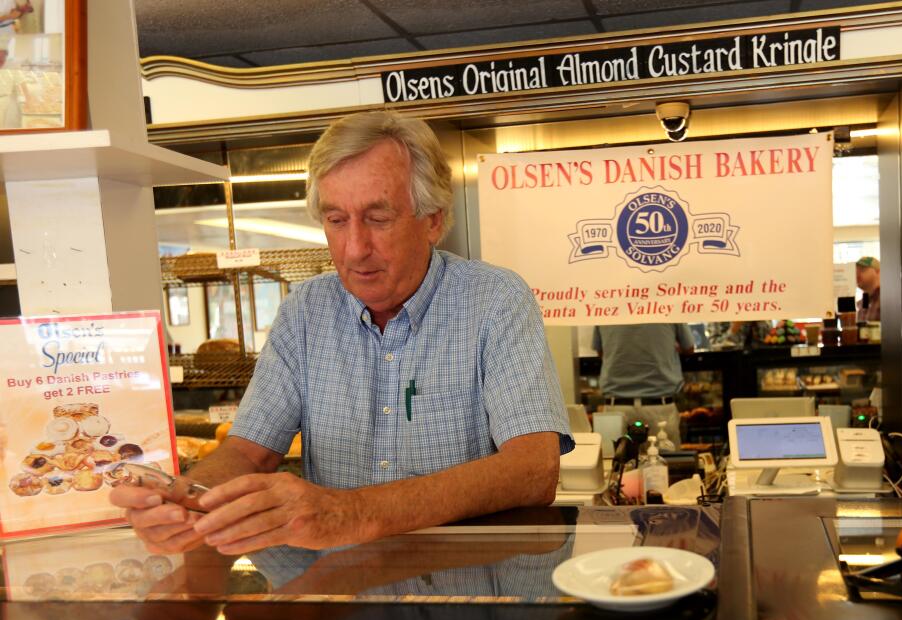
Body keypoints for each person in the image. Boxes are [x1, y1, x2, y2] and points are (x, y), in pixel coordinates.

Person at [112, 111, 573, 572]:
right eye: (336, 220)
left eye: (378, 218)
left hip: (465, 601)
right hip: (339, 598)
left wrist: (353, 514)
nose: (354, 248)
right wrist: (187, 498)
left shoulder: (494, 300)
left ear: (433, 220)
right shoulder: (306, 312)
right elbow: (248, 451)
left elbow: (533, 470)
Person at [592, 323, 694, 448]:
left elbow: (601, 351)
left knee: (614, 464)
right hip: (660, 409)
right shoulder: (669, 307)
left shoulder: (605, 310)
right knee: (663, 463)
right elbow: (689, 348)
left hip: (616, 407)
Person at [855, 255, 881, 322]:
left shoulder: (888, 301)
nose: (857, 274)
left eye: (862, 270)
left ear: (877, 271)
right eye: (856, 271)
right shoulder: (860, 304)